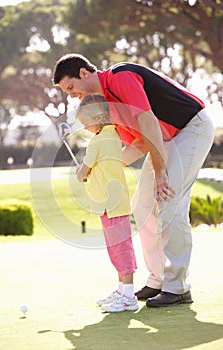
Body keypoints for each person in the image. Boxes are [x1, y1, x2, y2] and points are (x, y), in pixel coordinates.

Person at [53, 53, 214, 307]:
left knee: (169, 200)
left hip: (191, 128)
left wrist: (161, 174)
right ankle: (157, 280)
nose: (71, 95)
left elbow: (148, 122)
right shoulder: (107, 107)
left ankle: (178, 287)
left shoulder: (121, 76)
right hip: (164, 141)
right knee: (142, 204)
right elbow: (139, 142)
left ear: (84, 73)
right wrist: (102, 167)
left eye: (71, 87)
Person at [74, 93, 139, 313]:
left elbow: (84, 171)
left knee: (120, 249)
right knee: (117, 249)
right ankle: (122, 290)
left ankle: (128, 295)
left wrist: (80, 174)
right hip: (109, 205)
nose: (85, 128)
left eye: (86, 123)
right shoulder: (111, 135)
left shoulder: (99, 140)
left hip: (111, 205)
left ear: (99, 117)